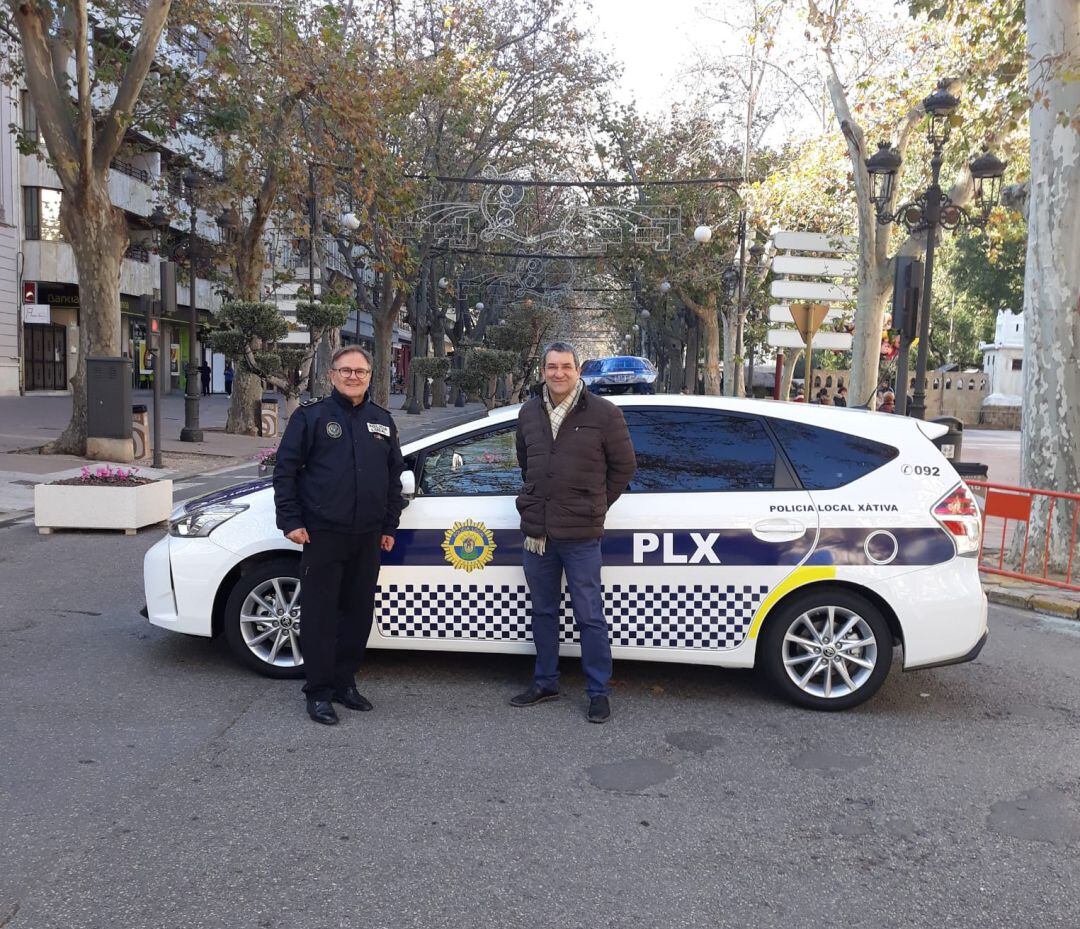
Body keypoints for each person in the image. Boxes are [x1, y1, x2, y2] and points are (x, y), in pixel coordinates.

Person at [273, 346, 404, 726]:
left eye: (360, 371)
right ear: (331, 375)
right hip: (322, 534)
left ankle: (345, 683)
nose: (353, 377)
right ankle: (318, 692)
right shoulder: (310, 417)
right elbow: (286, 470)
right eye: (345, 370)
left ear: (369, 376)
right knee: (319, 616)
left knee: (358, 614)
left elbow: (393, 477)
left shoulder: (382, 420)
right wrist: (290, 520)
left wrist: (388, 525)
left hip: (366, 536)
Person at [511, 341, 636, 724]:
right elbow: (525, 462)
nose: (559, 373)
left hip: (581, 534)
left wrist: (595, 504)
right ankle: (545, 681)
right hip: (538, 535)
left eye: (566, 366)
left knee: (589, 616)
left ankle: (598, 692)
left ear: (578, 370)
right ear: (544, 370)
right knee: (543, 612)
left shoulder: (604, 413)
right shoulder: (529, 412)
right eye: (552, 366)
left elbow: (624, 468)